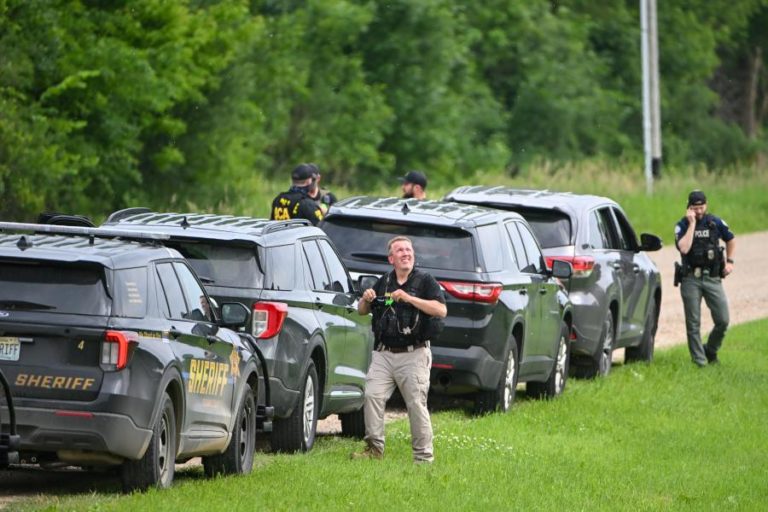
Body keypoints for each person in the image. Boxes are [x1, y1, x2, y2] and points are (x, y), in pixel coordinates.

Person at [352, 236, 446, 463]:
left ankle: (423, 458)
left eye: (409, 250)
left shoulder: (425, 281)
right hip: (384, 354)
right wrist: (366, 299)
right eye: (400, 250)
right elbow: (363, 311)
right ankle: (373, 450)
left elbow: (441, 310)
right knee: (372, 395)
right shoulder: (383, 282)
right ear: (391, 258)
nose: (406, 253)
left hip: (414, 353)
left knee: (415, 404)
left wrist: (409, 298)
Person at [674, 190, 735, 367]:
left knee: (723, 320)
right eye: (695, 208)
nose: (699, 211)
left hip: (713, 278)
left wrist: (730, 261)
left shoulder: (715, 223)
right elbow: (684, 249)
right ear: (688, 208)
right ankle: (700, 362)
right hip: (690, 279)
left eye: (701, 207)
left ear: (706, 205)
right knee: (693, 324)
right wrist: (692, 224)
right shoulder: (682, 225)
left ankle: (711, 350)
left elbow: (731, 239)